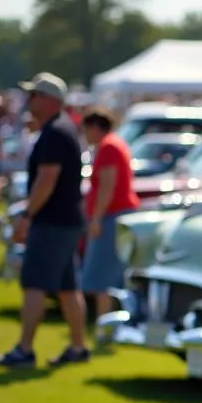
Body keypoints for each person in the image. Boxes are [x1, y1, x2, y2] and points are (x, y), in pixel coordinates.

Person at [0, 73, 89, 369]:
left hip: (53, 221)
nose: (29, 102)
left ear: (48, 99)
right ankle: (78, 347)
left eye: (33, 96)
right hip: (66, 219)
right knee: (68, 287)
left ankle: (25, 349)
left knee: (34, 283)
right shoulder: (63, 128)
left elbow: (47, 179)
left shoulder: (55, 132)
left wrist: (27, 215)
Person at [81, 106, 139, 323]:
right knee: (109, 273)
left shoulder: (108, 147)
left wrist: (96, 218)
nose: (85, 135)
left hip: (111, 216)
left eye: (87, 129)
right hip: (115, 214)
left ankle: (104, 321)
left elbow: (107, 186)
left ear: (96, 127)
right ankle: (108, 321)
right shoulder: (114, 144)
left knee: (102, 274)